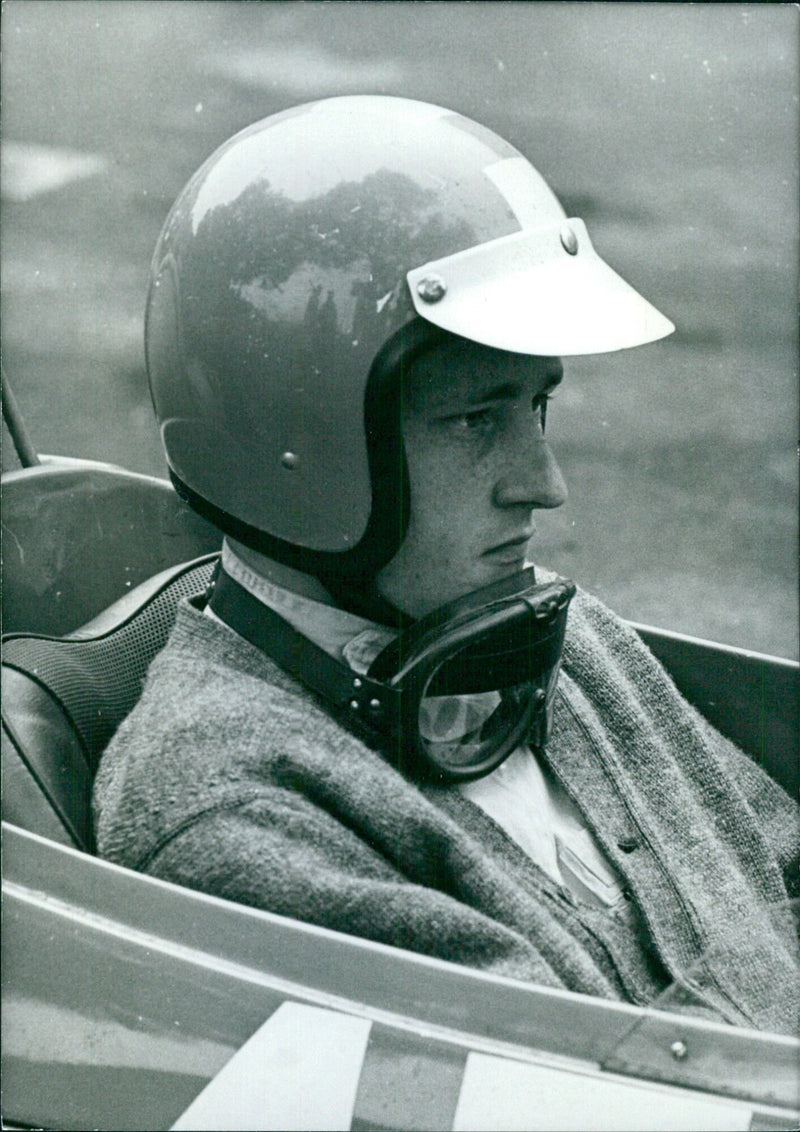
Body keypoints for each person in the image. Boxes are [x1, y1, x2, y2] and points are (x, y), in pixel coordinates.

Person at [93, 95, 798, 1034]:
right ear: (301, 443)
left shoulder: (561, 634)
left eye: (535, 406)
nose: (544, 487)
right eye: (474, 421)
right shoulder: (230, 810)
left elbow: (775, 872)